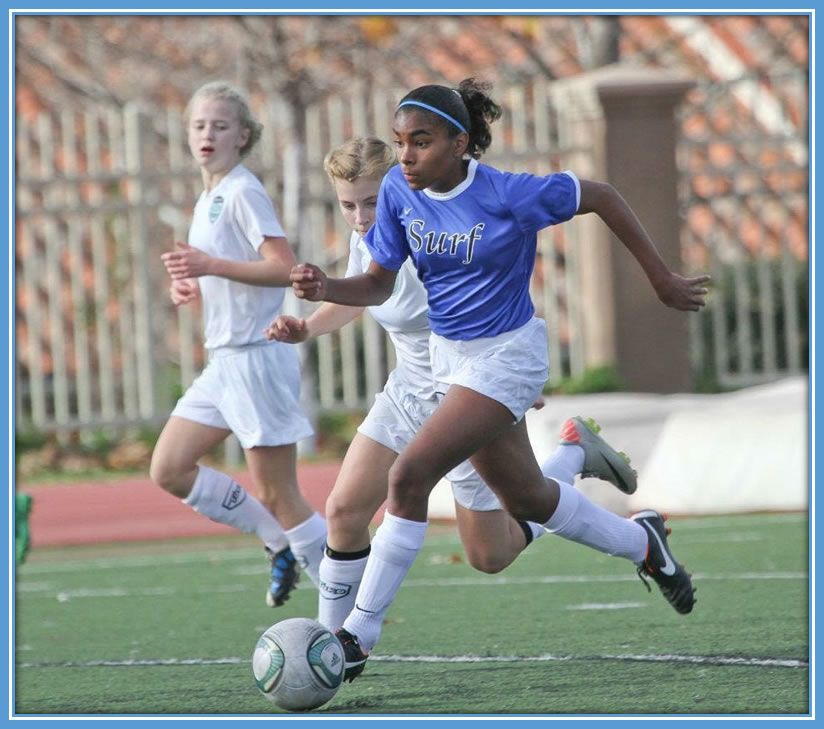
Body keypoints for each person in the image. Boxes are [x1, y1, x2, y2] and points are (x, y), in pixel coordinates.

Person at [291, 79, 708, 681]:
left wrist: (661, 278)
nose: (406, 156)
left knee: (407, 478)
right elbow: (378, 285)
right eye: (401, 142)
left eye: (422, 142)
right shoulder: (398, 197)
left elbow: (604, 195)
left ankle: (354, 637)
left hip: (508, 358)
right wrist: (324, 289)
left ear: (461, 143)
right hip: (448, 365)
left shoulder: (509, 194)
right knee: (520, 512)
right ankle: (645, 544)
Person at [267, 137, 637, 635]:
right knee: (344, 510)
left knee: (490, 554)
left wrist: (508, 384)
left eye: (372, 201)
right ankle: (331, 647)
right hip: (406, 393)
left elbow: (493, 311)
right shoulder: (370, 240)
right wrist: (306, 327)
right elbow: (358, 296)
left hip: (459, 398)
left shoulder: (435, 237)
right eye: (348, 204)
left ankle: (572, 456)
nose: (359, 216)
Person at [149, 81, 326, 607]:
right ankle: (277, 545)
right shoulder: (208, 197)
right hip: (223, 364)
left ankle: (348, 613)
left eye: (221, 125)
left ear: (242, 136)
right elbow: (221, 273)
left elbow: (284, 269)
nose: (208, 134)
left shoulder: (243, 190)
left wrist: (210, 266)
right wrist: (193, 282)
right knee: (169, 469)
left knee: (279, 493)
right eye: (200, 125)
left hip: (255, 361)